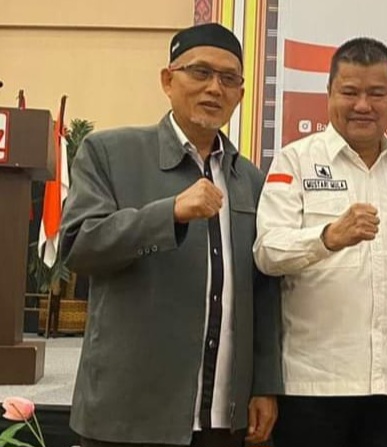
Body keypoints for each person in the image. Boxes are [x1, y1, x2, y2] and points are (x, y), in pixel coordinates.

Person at [60, 23, 282, 447]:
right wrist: (170, 213)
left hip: (223, 417)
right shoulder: (110, 153)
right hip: (129, 417)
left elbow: (264, 292)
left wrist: (264, 385)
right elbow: (79, 246)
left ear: (240, 94)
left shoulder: (251, 180)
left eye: (228, 78)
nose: (214, 88)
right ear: (167, 80)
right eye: (200, 72)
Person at [252, 37, 387, 447]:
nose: (363, 105)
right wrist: (327, 238)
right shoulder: (295, 160)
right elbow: (267, 251)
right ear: (329, 94)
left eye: (376, 93)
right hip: (312, 386)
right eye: (350, 92)